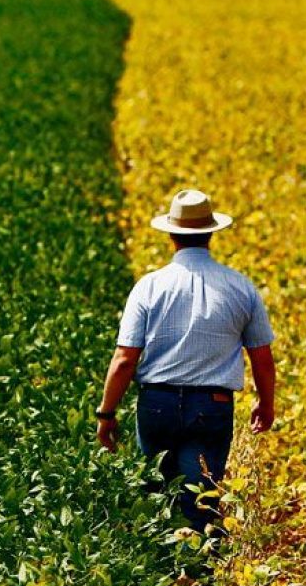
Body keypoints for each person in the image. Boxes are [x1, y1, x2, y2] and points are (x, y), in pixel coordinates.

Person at [96, 188, 276, 533]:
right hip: (212, 405)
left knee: (158, 498)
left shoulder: (149, 286)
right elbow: (262, 358)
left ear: (171, 235)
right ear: (211, 233)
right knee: (200, 503)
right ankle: (199, 578)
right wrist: (265, 404)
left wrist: (106, 413)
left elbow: (124, 359)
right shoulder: (240, 287)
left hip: (157, 404)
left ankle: (163, 573)